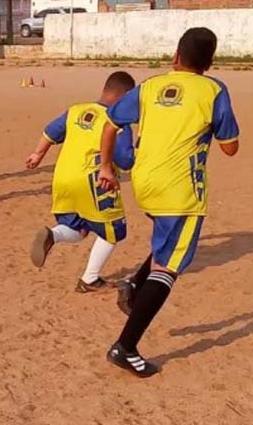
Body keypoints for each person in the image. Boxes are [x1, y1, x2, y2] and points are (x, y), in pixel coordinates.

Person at [98, 27, 239, 378]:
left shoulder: (149, 86)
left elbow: (111, 122)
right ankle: (125, 346)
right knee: (169, 267)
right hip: (181, 193)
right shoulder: (214, 89)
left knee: (168, 240)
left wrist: (105, 165)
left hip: (145, 185)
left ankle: (132, 283)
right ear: (210, 62)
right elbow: (230, 146)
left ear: (175, 55)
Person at [26, 71, 137, 292]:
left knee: (78, 228)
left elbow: (50, 131)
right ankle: (90, 279)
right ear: (126, 96)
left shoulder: (76, 110)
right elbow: (125, 160)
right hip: (94, 182)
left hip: (62, 178)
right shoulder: (117, 120)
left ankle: (53, 235)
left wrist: (37, 154)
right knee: (113, 232)